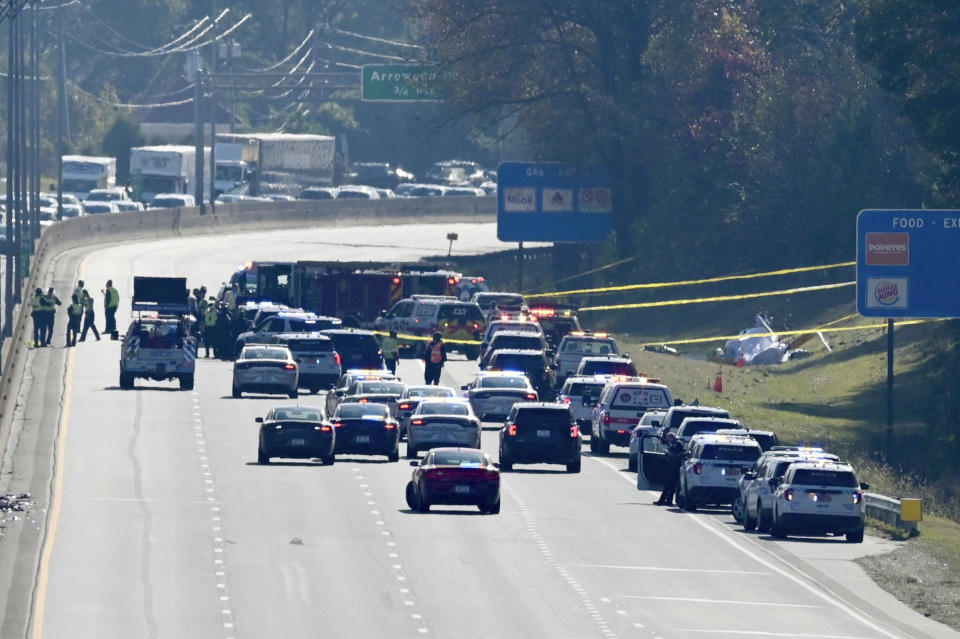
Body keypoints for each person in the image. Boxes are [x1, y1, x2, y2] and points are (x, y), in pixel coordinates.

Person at [654, 430, 685, 506]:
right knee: (671, 486)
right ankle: (668, 501)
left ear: (672, 437)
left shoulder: (677, 444)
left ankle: (662, 501)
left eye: (668, 438)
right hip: (675, 467)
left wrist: (667, 452)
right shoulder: (677, 444)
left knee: (668, 485)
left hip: (675, 468)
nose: (668, 440)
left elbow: (675, 454)